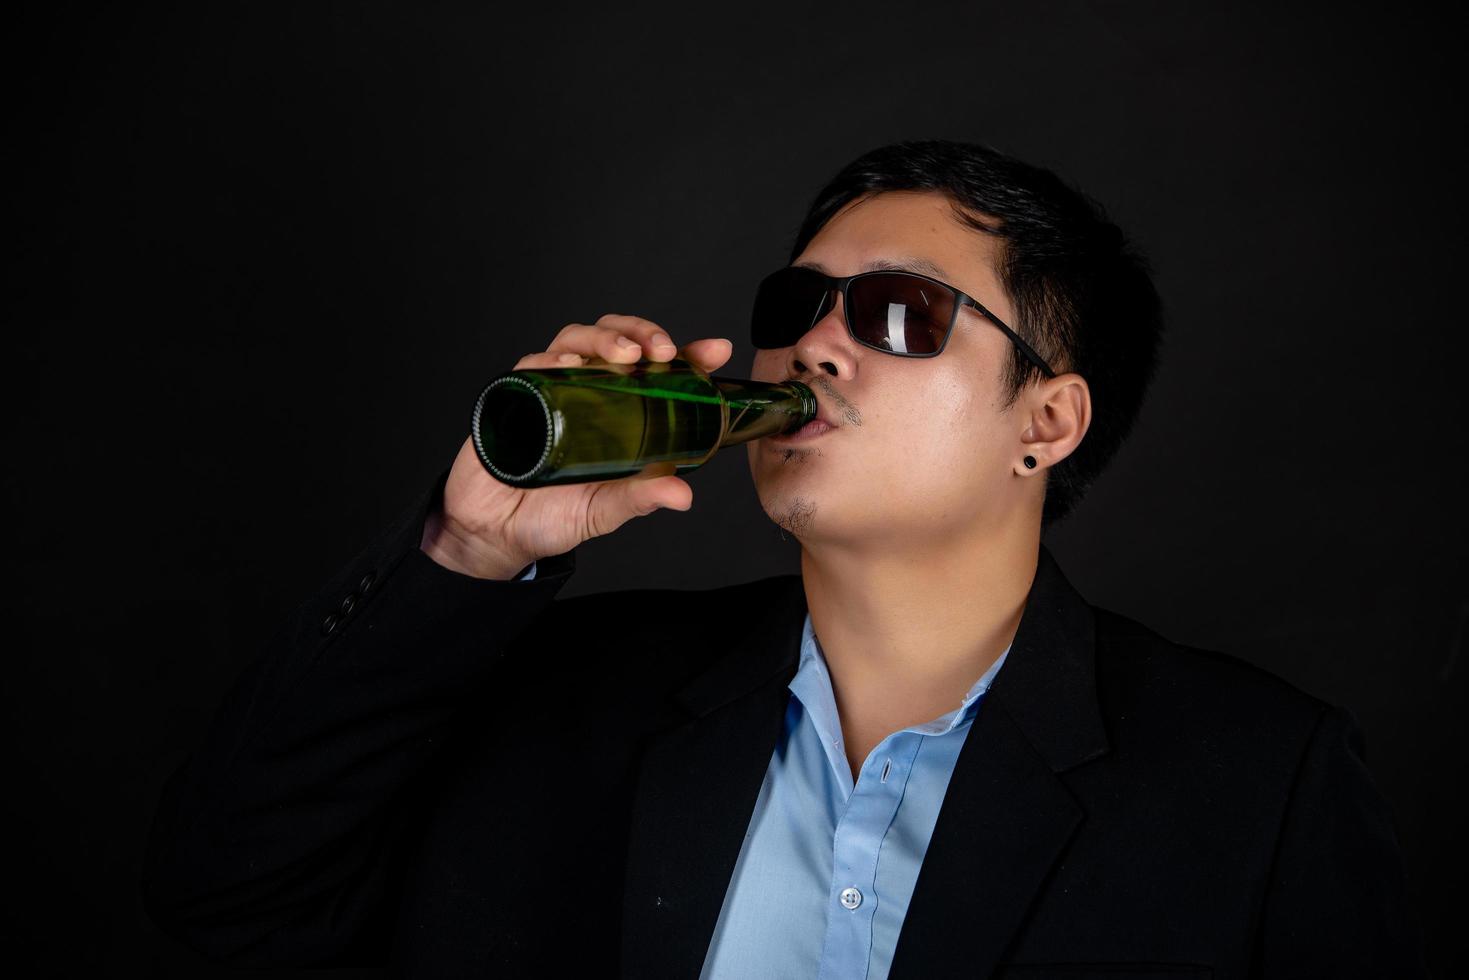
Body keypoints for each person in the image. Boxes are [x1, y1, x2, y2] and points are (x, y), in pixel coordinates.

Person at [141, 139, 1427, 977]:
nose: (812, 345)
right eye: (793, 306)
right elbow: (221, 894)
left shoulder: (1256, 786)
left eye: (896, 313)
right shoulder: (564, 695)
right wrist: (469, 547)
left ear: (1045, 420)